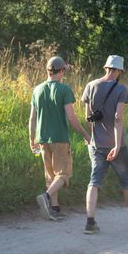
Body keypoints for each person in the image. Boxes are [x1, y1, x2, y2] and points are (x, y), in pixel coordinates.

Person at [81, 55, 128, 234]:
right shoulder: (121, 89)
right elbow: (118, 119)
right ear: (118, 70)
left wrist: (94, 136)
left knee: (94, 182)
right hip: (115, 145)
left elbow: (88, 118)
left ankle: (90, 222)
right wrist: (117, 146)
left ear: (106, 67)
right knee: (126, 180)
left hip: (96, 144)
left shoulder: (90, 86)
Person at [29, 56, 91, 221]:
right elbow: (71, 118)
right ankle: (46, 197)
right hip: (60, 138)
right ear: (61, 71)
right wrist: (86, 134)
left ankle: (54, 209)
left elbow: (32, 118)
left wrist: (31, 139)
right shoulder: (64, 90)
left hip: (42, 138)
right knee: (64, 174)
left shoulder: (37, 90)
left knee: (51, 175)